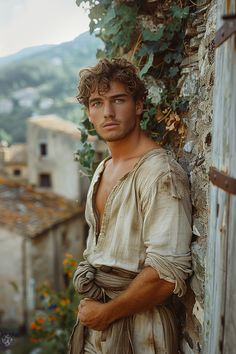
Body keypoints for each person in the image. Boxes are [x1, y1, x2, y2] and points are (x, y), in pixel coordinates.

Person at [69, 58, 192, 354]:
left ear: (138, 105)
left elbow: (166, 274)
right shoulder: (102, 169)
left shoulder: (160, 173)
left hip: (142, 335)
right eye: (97, 103)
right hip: (96, 332)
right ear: (89, 112)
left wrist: (107, 313)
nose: (107, 112)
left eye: (118, 100)